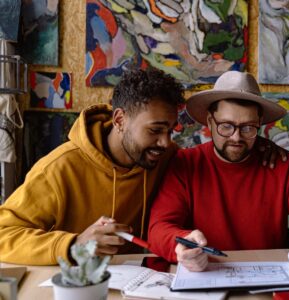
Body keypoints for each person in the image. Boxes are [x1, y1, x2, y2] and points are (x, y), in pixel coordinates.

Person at [148, 71, 289, 282]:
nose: (236, 137)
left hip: (269, 282)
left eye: (248, 128)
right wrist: (180, 245)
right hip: (203, 278)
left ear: (260, 123)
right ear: (210, 121)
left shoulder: (281, 166)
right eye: (226, 126)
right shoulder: (185, 165)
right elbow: (158, 228)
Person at [0, 69, 185, 265]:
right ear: (120, 120)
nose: (165, 142)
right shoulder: (58, 168)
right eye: (155, 130)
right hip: (78, 284)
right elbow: (4, 235)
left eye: (170, 131)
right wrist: (74, 244)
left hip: (141, 284)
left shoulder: (167, 157)